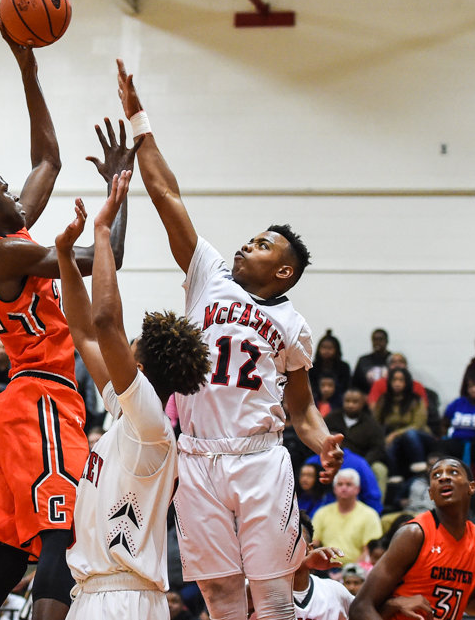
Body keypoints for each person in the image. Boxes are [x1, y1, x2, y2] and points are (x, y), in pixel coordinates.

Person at [116, 58, 343, 620]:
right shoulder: (208, 275)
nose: (246, 246)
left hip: (261, 458)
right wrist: (140, 121)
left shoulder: (294, 325)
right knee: (219, 596)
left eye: (262, 245)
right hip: (195, 456)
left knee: (271, 599)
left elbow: (302, 409)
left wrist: (323, 443)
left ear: (284, 271)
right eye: (249, 240)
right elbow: (168, 197)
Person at [0, 25, 140, 620]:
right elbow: (105, 259)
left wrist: (29, 73)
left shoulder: (7, 236)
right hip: (39, 402)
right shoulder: (4, 251)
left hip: (28, 402)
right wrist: (117, 191)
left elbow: (48, 158)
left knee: (6, 556)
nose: (14, 193)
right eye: (3, 189)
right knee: (65, 527)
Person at [57, 174, 210, 618]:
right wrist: (66, 255)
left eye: (132, 347)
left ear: (139, 368)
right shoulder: (131, 418)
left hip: (121, 599)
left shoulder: (150, 425)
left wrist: (101, 233)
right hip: (100, 595)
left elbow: (105, 323)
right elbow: (84, 331)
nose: (123, 349)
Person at [349, 457, 475, 620]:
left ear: (471, 487)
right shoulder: (414, 534)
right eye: (436, 475)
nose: (443, 477)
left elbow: (471, 602)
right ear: (431, 494)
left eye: (453, 472)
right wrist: (394, 604)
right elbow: (361, 607)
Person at [311, 469, 383, 566]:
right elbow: (313, 544)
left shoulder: (370, 515)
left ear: (357, 489)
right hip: (325, 567)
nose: (344, 488)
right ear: (334, 489)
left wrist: (350, 570)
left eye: (349, 484)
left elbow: (369, 552)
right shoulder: (322, 513)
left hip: (356, 572)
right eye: (340, 484)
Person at [291, 512, 352, 620]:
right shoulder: (257, 590)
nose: (289, 549)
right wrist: (305, 564)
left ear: (310, 549)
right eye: (283, 543)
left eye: (295, 542)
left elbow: (365, 608)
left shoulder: (335, 591)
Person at [375, 368, 432, 481]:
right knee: (388, 445)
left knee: (410, 435)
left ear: (407, 382)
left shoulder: (415, 399)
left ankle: (419, 466)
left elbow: (418, 424)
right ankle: (395, 477)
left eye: (401, 380)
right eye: (394, 380)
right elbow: (376, 422)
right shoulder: (384, 400)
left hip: (418, 435)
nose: (397, 383)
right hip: (395, 437)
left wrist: (395, 434)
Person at [309, 331, 352, 411]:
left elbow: (346, 387)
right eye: (324, 348)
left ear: (336, 350)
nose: (326, 351)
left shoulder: (343, 367)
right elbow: (310, 387)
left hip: (339, 401)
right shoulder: (312, 367)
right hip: (316, 400)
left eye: (330, 348)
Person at [353, 329, 391, 394]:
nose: (377, 342)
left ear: (386, 341)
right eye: (375, 339)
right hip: (366, 398)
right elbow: (355, 384)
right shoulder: (363, 360)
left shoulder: (393, 359)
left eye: (381, 339)